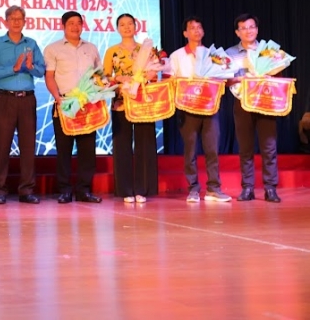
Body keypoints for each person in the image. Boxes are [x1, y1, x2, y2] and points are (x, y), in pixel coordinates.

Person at [168, 16, 231, 203]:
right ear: (185, 33)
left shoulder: (214, 55)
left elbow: (224, 77)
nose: (196, 31)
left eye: (199, 27)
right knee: (190, 149)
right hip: (187, 109)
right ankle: (193, 189)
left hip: (210, 107)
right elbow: (169, 80)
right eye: (191, 28)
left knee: (212, 149)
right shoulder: (177, 55)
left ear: (203, 32)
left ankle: (214, 189)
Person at [44, 10, 103, 204]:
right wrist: (57, 97)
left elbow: (99, 76)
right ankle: (64, 190)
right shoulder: (53, 49)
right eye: (71, 23)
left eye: (79, 23)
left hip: (88, 104)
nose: (75, 26)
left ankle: (84, 190)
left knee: (87, 149)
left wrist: (99, 92)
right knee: (64, 150)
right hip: (65, 103)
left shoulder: (92, 48)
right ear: (63, 26)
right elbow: (50, 76)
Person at [0, 5, 44, 205]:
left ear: (25, 21)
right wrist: (14, 68)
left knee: (28, 147)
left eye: (20, 18)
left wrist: (30, 67)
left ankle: (26, 190)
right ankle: (1, 190)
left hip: (27, 99)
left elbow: (41, 70)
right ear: (5, 21)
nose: (16, 22)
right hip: (5, 99)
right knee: (2, 146)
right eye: (12, 18)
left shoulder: (32, 44)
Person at [102, 13, 158, 203]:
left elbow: (155, 76)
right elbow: (104, 78)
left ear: (136, 26)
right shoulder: (112, 51)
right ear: (117, 28)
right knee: (122, 145)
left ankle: (143, 189)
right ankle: (125, 189)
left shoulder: (146, 49)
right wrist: (118, 79)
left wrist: (148, 75)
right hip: (120, 101)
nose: (126, 27)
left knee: (145, 144)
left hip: (143, 102)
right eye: (122, 24)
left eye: (130, 24)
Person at [227, 13, 281, 203]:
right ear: (237, 32)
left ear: (257, 29)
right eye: (243, 28)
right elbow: (225, 80)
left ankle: (271, 188)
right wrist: (240, 79)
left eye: (251, 27)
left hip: (266, 102)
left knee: (269, 146)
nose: (248, 31)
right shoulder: (229, 53)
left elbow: (279, 74)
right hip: (242, 102)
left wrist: (270, 77)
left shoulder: (269, 51)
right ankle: (247, 188)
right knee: (246, 147)